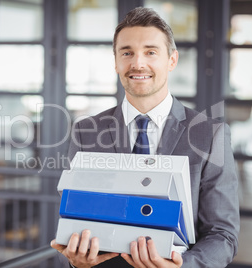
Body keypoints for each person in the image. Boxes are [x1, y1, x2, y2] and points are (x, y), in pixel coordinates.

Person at [51, 7, 239, 268]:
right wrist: (75, 262)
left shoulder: (210, 135)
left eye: (151, 52)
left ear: (171, 60)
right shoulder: (86, 132)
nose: (138, 63)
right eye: (127, 53)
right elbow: (72, 221)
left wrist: (184, 267)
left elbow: (223, 235)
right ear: (115, 61)